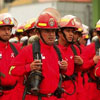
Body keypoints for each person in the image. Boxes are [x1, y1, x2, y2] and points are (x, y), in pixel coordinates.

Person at [9, 12, 67, 100]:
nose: (51, 34)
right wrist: (29, 67)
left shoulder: (58, 50)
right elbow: (12, 70)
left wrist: (64, 68)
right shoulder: (28, 50)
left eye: (53, 31)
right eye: (47, 31)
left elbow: (59, 73)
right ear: (38, 32)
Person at [57, 15, 83, 100]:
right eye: (68, 31)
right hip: (57, 90)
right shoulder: (52, 48)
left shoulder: (75, 49)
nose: (71, 34)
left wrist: (81, 64)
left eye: (72, 31)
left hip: (72, 91)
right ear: (59, 32)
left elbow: (78, 72)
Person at [0, 13, 22, 100]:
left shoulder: (17, 49)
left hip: (15, 94)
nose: (7, 32)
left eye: (9, 29)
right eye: (3, 29)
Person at [80, 19, 100, 100]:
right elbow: (81, 67)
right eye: (99, 33)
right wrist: (93, 61)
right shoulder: (89, 48)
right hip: (94, 89)